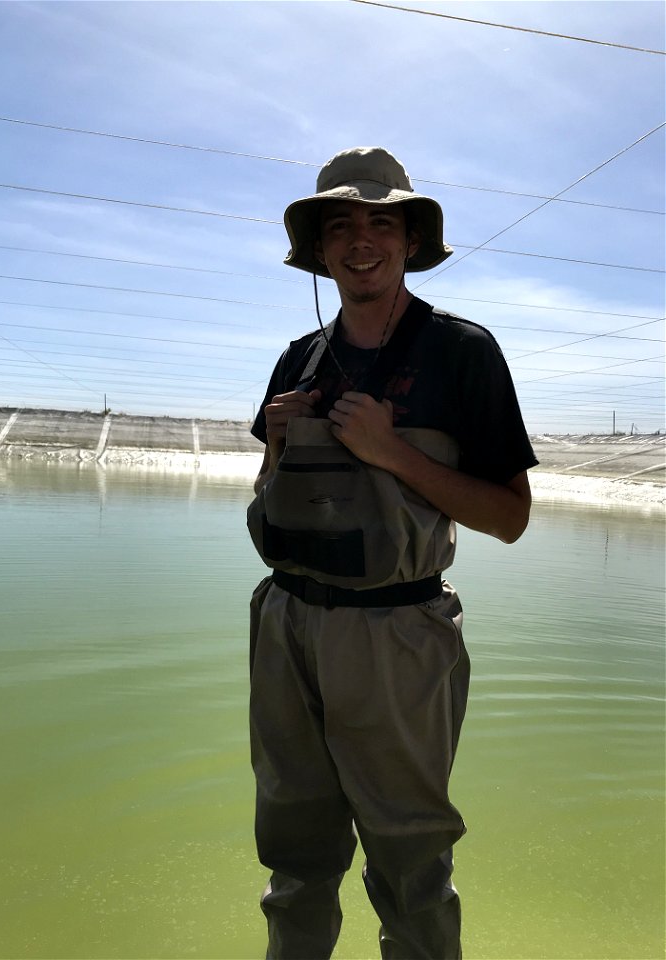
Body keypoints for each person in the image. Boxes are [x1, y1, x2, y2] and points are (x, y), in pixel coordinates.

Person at [246, 146, 538, 960]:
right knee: (293, 857)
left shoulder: (463, 351)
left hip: (397, 633)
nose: (361, 239)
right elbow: (266, 497)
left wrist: (394, 452)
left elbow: (510, 518)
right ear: (320, 248)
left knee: (410, 863)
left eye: (382, 221)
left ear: (412, 241)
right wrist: (274, 445)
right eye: (341, 224)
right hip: (283, 627)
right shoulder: (296, 357)